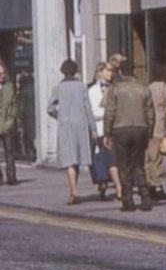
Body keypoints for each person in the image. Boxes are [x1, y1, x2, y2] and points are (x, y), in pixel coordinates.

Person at [103, 59, 156, 212]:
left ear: (120, 71)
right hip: (140, 129)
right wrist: (149, 131)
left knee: (124, 166)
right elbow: (150, 113)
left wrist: (107, 132)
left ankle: (128, 200)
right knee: (139, 164)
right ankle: (145, 197)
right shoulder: (144, 89)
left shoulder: (115, 89)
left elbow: (110, 112)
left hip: (121, 129)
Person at [46, 60, 94, 205]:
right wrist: (93, 128)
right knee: (77, 160)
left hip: (65, 125)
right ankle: (74, 190)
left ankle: (73, 191)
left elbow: (49, 108)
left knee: (69, 160)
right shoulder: (82, 87)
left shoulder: (58, 88)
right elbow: (88, 109)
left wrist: (58, 115)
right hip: (80, 125)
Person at [87, 62, 120, 200]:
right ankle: (104, 183)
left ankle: (118, 187)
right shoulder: (92, 91)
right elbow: (92, 112)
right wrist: (108, 112)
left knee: (112, 159)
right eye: (107, 71)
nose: (110, 74)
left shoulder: (115, 88)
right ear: (100, 72)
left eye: (111, 71)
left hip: (114, 129)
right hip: (100, 129)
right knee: (101, 159)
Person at [145, 63, 166, 201]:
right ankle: (157, 185)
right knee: (156, 158)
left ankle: (149, 184)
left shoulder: (148, 88)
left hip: (147, 127)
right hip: (159, 127)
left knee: (147, 158)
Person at [0, 61, 19, 186]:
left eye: (3, 73)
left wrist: (12, 119)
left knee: (9, 150)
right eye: (0, 74)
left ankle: (11, 177)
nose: (2, 76)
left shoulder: (9, 86)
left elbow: (14, 104)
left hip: (7, 123)